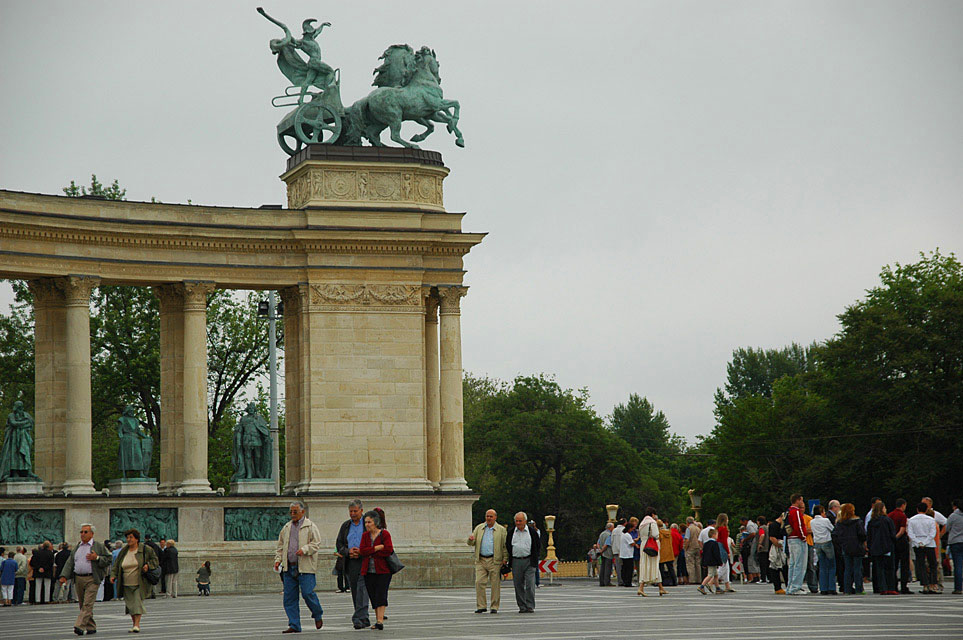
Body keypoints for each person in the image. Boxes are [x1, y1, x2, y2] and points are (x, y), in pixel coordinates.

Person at [274, 500, 324, 633]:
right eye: (291, 512)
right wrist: (278, 560)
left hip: (305, 567)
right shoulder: (286, 527)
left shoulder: (310, 526)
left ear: (302, 512)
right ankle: (294, 624)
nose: (292, 514)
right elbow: (280, 547)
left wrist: (305, 549)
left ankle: (317, 613)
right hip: (289, 567)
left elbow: (316, 544)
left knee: (308, 593)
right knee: (289, 598)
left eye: (295, 511)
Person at [59, 524, 111, 635]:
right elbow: (70, 562)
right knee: (83, 604)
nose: (82, 534)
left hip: (92, 578)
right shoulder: (77, 547)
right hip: (78, 578)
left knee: (88, 603)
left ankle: (79, 625)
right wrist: (64, 575)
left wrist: (97, 558)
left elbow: (108, 559)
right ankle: (91, 626)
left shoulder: (98, 546)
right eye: (81, 532)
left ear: (92, 534)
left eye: (85, 532)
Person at [109, 528, 159, 634]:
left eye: (131, 537)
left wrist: (148, 566)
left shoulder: (146, 549)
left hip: (140, 581)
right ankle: (134, 624)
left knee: (137, 603)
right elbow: (117, 565)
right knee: (130, 605)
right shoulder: (124, 551)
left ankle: (137, 625)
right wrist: (113, 575)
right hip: (126, 581)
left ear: (137, 539)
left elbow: (155, 560)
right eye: (127, 537)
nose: (129, 539)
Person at [336, 499, 370, 630]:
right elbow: (339, 544)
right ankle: (364, 618)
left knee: (363, 589)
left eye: (355, 511)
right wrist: (348, 551)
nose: (353, 514)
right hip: (350, 561)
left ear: (361, 510)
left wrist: (361, 552)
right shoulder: (345, 526)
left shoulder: (367, 524)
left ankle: (358, 618)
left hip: (365, 560)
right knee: (355, 590)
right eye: (351, 511)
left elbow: (373, 540)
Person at [359, 510, 393, 630]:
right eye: (365, 522)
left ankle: (379, 621)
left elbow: (388, 550)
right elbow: (362, 551)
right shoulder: (364, 536)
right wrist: (376, 548)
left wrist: (371, 552)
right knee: (373, 594)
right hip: (368, 570)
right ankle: (378, 618)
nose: (367, 524)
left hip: (383, 571)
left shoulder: (385, 534)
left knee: (381, 594)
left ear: (375, 522)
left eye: (369, 522)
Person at [468, 508, 506, 614]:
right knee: (479, 582)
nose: (488, 518)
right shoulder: (479, 528)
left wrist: (505, 559)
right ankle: (481, 606)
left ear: (495, 517)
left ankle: (494, 606)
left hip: (495, 560)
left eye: (491, 516)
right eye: (487, 516)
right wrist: (470, 540)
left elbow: (504, 546)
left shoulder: (501, 530)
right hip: (481, 559)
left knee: (495, 584)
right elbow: (471, 543)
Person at [506, 512, 540, 613]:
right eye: (516, 521)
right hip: (516, 561)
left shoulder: (532, 532)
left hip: (529, 560)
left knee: (530, 584)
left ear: (525, 521)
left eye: (520, 521)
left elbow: (537, 546)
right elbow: (508, 545)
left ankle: (530, 605)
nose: (518, 523)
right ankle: (522, 606)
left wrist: (535, 558)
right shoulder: (512, 532)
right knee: (518, 585)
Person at [832, 503, 866, 594]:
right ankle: (859, 588)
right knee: (857, 568)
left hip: (846, 547)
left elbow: (835, 535)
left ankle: (847, 589)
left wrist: (841, 543)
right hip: (857, 546)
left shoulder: (840, 523)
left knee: (847, 569)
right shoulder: (858, 522)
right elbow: (862, 534)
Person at [866, 500, 897, 594]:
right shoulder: (887, 520)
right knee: (890, 568)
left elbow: (869, 536)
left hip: (875, 548)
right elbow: (892, 534)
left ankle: (881, 587)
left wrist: (870, 546)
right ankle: (890, 587)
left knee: (879, 569)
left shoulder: (871, 522)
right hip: (887, 547)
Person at [907, 501, 939, 594]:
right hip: (929, 544)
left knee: (921, 565)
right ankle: (933, 585)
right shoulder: (931, 520)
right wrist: (925, 542)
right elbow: (932, 533)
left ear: (917, 509)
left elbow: (910, 533)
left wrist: (918, 542)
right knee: (932, 564)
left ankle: (925, 585)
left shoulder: (912, 520)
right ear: (926, 510)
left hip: (917, 544)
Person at [637, 507, 666, 596]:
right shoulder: (652, 523)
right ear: (653, 514)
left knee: (645, 565)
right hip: (652, 545)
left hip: (644, 545)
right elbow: (656, 534)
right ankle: (641, 587)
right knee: (654, 565)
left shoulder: (642, 523)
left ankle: (661, 588)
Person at [784, 494, 808, 595]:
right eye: (801, 500)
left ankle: (790, 586)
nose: (802, 503)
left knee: (792, 564)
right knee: (800, 564)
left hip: (790, 539)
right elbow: (798, 525)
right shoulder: (796, 511)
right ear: (797, 500)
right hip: (797, 539)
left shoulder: (788, 511)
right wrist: (803, 537)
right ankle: (796, 587)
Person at [810, 505, 836, 595]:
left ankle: (823, 588)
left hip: (817, 543)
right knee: (831, 565)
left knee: (822, 566)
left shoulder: (812, 522)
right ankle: (831, 588)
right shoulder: (826, 520)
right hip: (827, 542)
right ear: (821, 512)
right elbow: (832, 529)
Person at [888, 498, 912, 594]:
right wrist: (896, 537)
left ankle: (894, 585)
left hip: (893, 543)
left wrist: (892, 539)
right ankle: (904, 586)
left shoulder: (890, 515)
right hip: (901, 541)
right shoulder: (902, 516)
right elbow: (902, 530)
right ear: (903, 505)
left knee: (894, 564)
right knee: (904, 564)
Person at [697, 528, 724, 595]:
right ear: (714, 535)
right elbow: (716, 554)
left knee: (716, 575)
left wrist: (703, 562)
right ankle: (702, 586)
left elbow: (704, 553)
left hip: (707, 561)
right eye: (717, 534)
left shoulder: (706, 544)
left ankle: (717, 588)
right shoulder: (715, 544)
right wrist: (719, 562)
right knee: (710, 575)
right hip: (713, 562)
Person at [944, 498, 963, 595]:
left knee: (958, 566)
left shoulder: (953, 516)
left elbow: (947, 528)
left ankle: (958, 588)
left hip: (955, 542)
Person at [768, 514, 788, 594]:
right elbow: (772, 537)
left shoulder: (781, 525)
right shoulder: (774, 525)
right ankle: (778, 587)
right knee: (777, 567)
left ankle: (786, 585)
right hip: (777, 547)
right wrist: (779, 545)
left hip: (781, 546)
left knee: (784, 567)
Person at [618, 519, 639, 587]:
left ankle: (625, 581)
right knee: (629, 569)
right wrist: (636, 542)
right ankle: (628, 582)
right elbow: (631, 543)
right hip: (628, 554)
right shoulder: (627, 535)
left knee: (624, 568)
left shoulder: (623, 534)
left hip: (623, 554)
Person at [684, 517, 702, 583]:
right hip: (698, 547)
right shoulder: (698, 529)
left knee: (690, 564)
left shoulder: (688, 529)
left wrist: (685, 548)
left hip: (691, 547)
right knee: (698, 564)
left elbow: (687, 539)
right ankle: (699, 579)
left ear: (687, 522)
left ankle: (692, 579)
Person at [658, 521, 676, 586]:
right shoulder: (669, 532)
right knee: (670, 567)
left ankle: (662, 581)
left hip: (662, 551)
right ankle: (674, 581)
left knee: (661, 568)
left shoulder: (659, 533)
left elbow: (658, 541)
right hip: (669, 551)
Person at [611, 518, 626, 587]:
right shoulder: (623, 530)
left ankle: (619, 580)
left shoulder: (614, 530)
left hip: (615, 551)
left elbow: (612, 541)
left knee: (618, 567)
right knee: (624, 566)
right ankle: (623, 580)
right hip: (622, 551)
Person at [755, 517, 770, 583]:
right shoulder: (767, 527)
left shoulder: (761, 528)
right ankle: (769, 578)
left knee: (762, 564)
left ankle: (763, 578)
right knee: (767, 564)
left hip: (763, 548)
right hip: (768, 548)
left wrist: (759, 543)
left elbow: (762, 535)